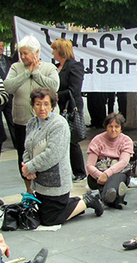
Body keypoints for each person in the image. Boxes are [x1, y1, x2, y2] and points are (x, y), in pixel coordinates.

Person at [22, 88, 103, 225]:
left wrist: (30, 167)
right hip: (39, 180)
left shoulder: (59, 124)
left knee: (50, 219)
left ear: (53, 106)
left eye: (46, 104)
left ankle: (88, 201)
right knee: (41, 213)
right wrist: (27, 166)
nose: (42, 108)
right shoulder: (32, 123)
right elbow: (27, 147)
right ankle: (80, 200)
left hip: (56, 181)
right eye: (38, 104)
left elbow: (52, 154)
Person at [4, 35, 59, 193]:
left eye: (26, 53)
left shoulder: (48, 68)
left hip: (46, 123)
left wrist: (36, 74)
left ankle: (44, 190)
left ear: (36, 53)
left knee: (44, 155)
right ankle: (29, 190)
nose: (22, 57)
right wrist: (27, 73)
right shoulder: (16, 68)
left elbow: (54, 86)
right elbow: (8, 87)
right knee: (24, 156)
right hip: (22, 122)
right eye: (20, 53)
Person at [50, 38, 86, 182]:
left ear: (61, 51)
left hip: (70, 107)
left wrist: (55, 96)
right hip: (57, 107)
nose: (52, 52)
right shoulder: (55, 67)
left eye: (54, 49)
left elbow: (74, 90)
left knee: (71, 139)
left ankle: (79, 171)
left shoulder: (75, 66)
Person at [86, 112, 133, 209]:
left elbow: (123, 162)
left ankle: (107, 198)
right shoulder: (97, 140)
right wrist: (100, 175)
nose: (113, 130)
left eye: (117, 127)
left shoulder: (126, 140)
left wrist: (107, 174)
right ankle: (116, 199)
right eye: (110, 126)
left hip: (117, 174)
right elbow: (90, 165)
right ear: (106, 127)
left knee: (117, 178)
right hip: (97, 176)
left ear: (121, 128)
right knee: (112, 186)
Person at [0, 39, 16, 158]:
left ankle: (16, 141)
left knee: (11, 118)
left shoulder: (8, 60)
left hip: (8, 94)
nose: (1, 48)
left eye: (2, 46)